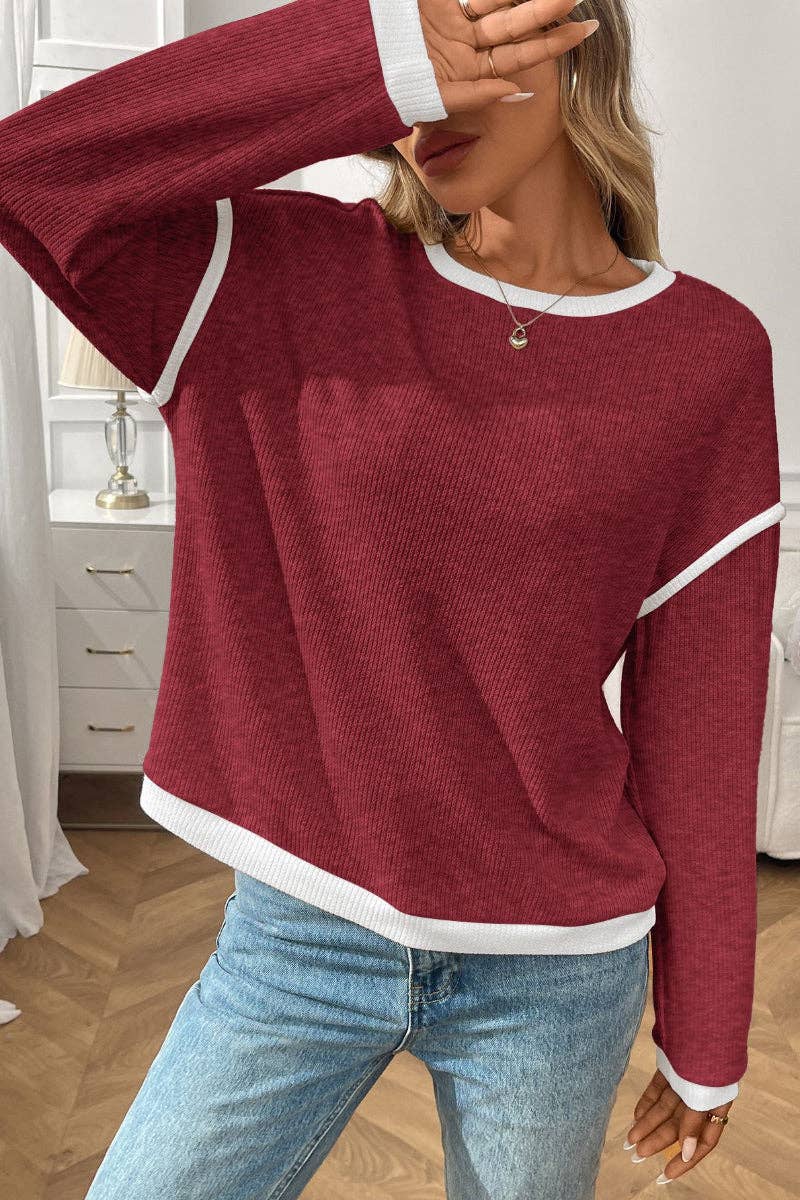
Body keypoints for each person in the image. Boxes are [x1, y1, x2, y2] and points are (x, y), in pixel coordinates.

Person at [0, 0, 784, 1196]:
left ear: (572, 40)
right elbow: (30, 171)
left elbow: (702, 726)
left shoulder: (704, 356)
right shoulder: (265, 274)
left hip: (555, 967)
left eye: (471, 25)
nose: (428, 108)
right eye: (414, 47)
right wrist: (374, 58)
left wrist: (707, 1032)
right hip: (296, 935)